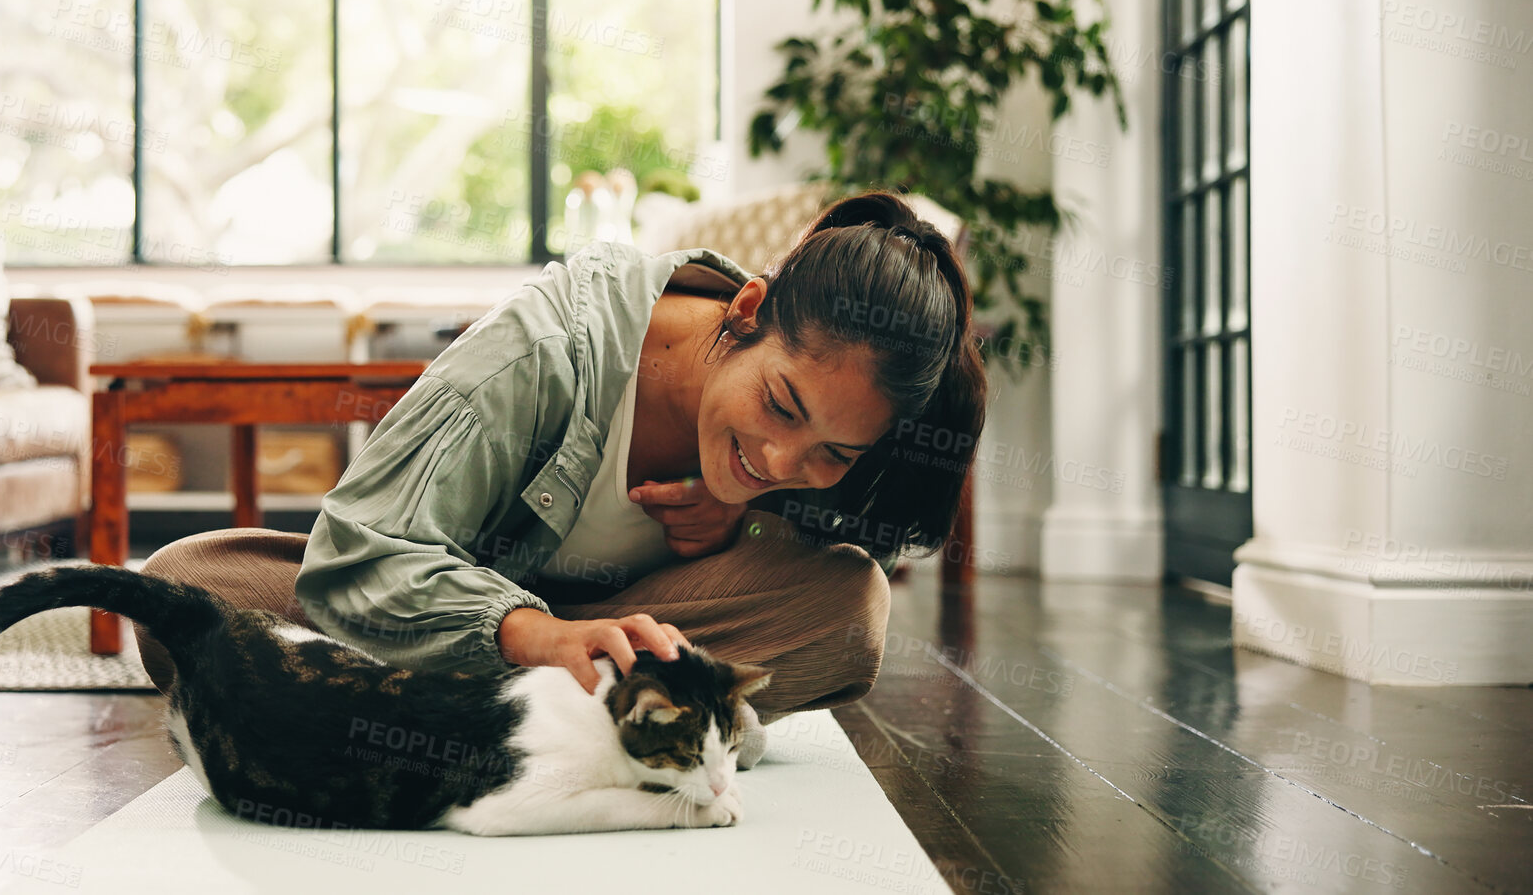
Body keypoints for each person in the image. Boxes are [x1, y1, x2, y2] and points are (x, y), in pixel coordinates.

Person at [135, 190, 987, 741]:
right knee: (182, 590)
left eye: (832, 453)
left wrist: (744, 513)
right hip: (470, 620)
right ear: (749, 309)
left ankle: (451, 724)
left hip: (621, 630)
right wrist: (534, 636)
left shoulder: (780, 453)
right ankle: (593, 721)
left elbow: (817, 543)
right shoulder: (544, 349)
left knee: (849, 604)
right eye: (780, 406)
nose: (779, 458)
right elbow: (359, 556)